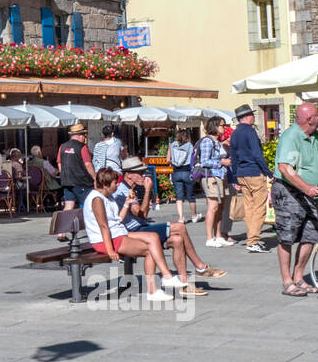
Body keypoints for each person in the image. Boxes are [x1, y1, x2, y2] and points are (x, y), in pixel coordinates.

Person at [113, 157, 224, 292]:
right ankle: (200, 266)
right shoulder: (125, 190)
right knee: (180, 227)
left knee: (177, 240)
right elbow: (141, 215)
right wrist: (148, 191)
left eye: (143, 172)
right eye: (140, 173)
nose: (143, 175)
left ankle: (185, 284)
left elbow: (143, 215)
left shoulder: (132, 188)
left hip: (139, 227)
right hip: (135, 230)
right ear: (128, 174)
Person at [272, 102, 318, 297]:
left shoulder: (313, 137)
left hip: (310, 193)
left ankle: (299, 277)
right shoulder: (291, 137)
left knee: (310, 235)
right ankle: (287, 281)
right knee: (287, 236)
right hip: (289, 191)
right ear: (311, 119)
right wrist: (305, 187)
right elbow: (285, 168)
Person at [84, 167, 179, 302]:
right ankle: (156, 287)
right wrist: (110, 250)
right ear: (106, 185)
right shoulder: (97, 200)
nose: (117, 185)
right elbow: (103, 226)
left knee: (153, 237)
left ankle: (165, 277)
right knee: (149, 249)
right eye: (115, 183)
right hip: (105, 240)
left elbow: (117, 220)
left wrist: (127, 204)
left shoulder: (107, 196)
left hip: (117, 233)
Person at [230, 104, 273, 253]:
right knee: (259, 208)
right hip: (254, 172)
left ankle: (252, 239)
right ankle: (253, 240)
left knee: (249, 208)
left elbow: (233, 157)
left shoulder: (235, 133)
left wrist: (235, 177)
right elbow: (257, 154)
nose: (254, 117)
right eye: (253, 115)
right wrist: (268, 172)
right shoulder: (250, 131)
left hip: (241, 173)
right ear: (248, 116)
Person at [198, 117, 232, 247]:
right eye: (222, 125)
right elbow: (204, 161)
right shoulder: (207, 141)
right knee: (212, 207)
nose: (224, 128)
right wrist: (222, 162)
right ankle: (209, 238)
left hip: (221, 175)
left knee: (220, 207)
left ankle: (218, 236)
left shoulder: (218, 142)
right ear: (215, 126)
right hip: (211, 176)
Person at [56, 123, 95, 210]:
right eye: (84, 135)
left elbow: (59, 163)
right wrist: (95, 178)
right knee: (87, 205)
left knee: (69, 206)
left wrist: (64, 175)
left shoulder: (62, 147)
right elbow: (88, 164)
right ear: (79, 135)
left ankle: (64, 222)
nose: (84, 137)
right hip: (82, 182)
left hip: (67, 182)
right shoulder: (82, 147)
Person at [168, 128, 198, 224]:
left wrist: (175, 162)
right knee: (191, 196)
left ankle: (181, 218)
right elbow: (193, 159)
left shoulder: (172, 145)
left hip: (176, 172)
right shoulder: (190, 145)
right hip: (187, 172)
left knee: (179, 196)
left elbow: (168, 159)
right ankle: (194, 216)